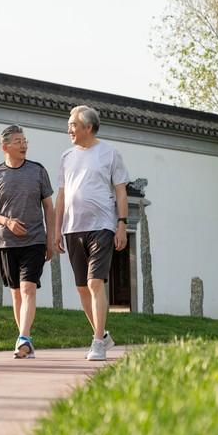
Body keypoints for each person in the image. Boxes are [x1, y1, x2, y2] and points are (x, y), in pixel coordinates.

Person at [54, 105, 129, 361]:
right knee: (82, 288)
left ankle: (97, 341)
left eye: (73, 124)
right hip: (73, 228)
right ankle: (103, 335)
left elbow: (120, 191)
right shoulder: (66, 156)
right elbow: (61, 196)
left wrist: (121, 223)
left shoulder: (110, 154)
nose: (69, 129)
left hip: (103, 225)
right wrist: (56, 229)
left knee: (95, 282)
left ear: (88, 126)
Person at [0, 125, 54, 359]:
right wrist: (6, 221)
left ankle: (23, 338)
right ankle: (26, 338)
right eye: (17, 141)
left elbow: (48, 207)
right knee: (16, 293)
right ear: (5, 147)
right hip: (6, 242)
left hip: (34, 240)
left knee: (28, 287)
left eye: (25, 140)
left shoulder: (38, 171)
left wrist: (51, 238)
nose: (24, 144)